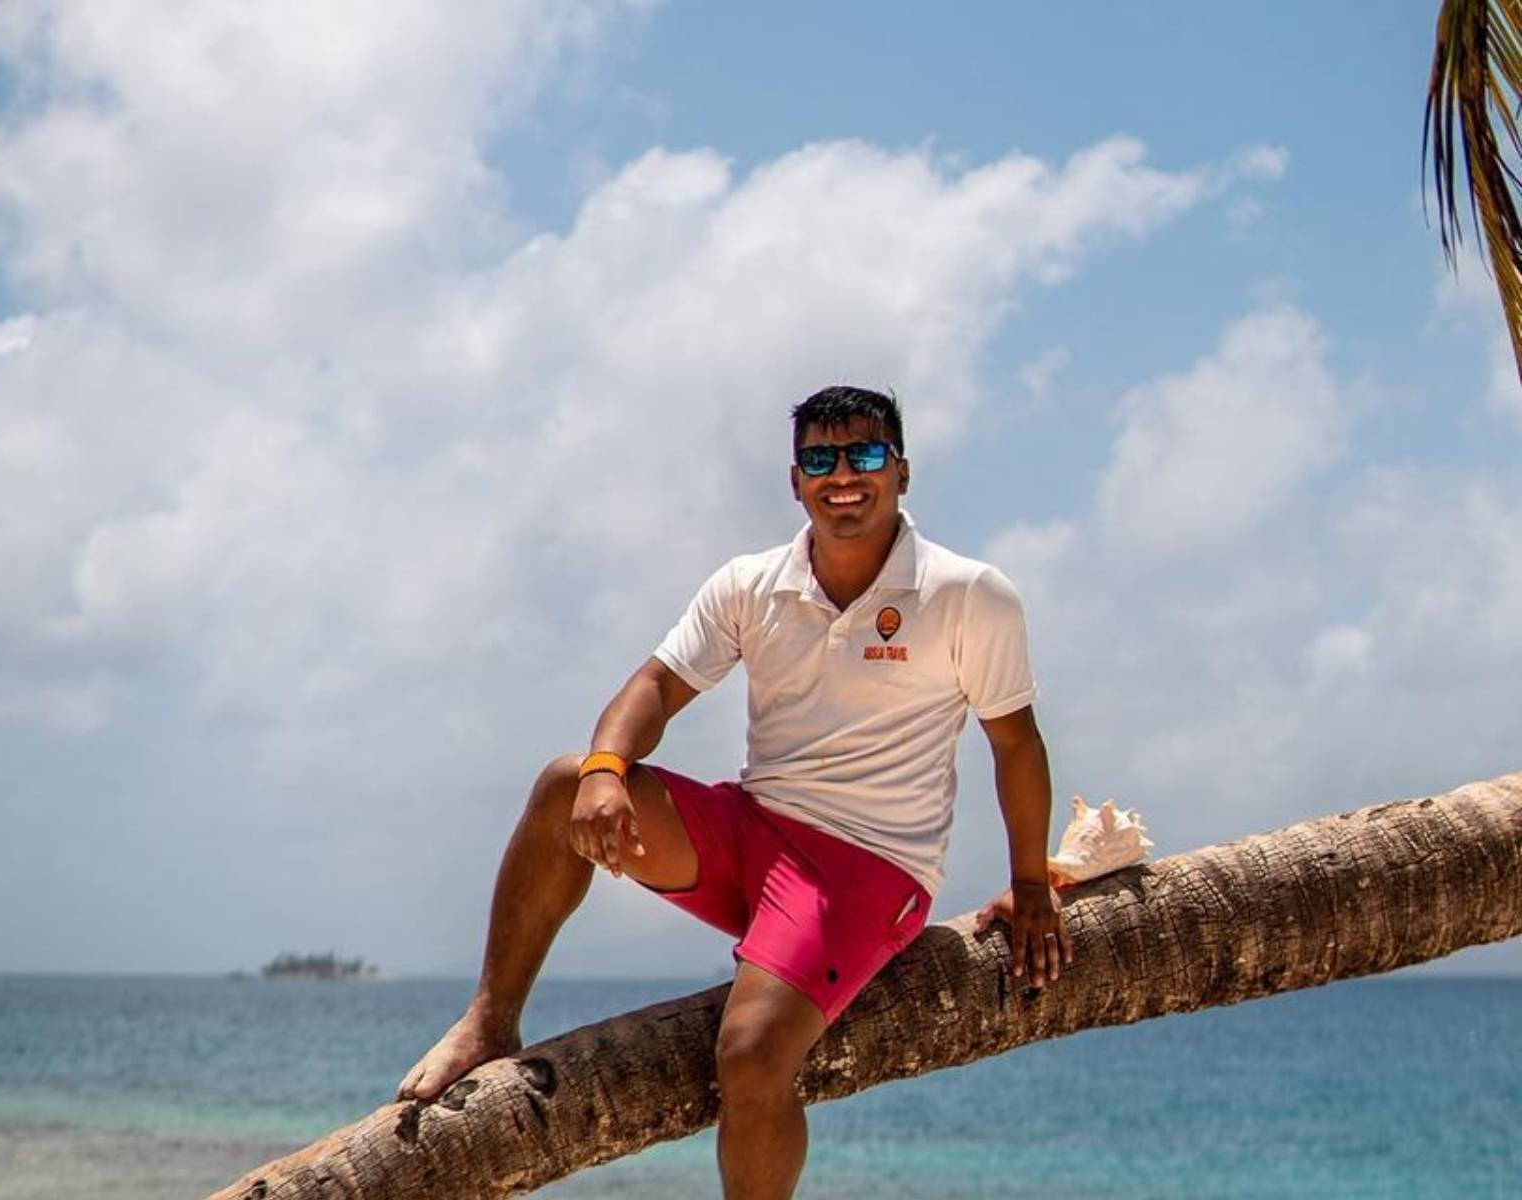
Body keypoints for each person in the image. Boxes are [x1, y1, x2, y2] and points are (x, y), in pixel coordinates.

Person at [397, 385, 1073, 1199]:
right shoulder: (753, 585)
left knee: (750, 1052)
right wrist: (608, 773)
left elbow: (1015, 744)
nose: (843, 475)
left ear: (900, 471)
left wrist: (1031, 882)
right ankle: (488, 1024)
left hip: (867, 871)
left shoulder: (968, 594)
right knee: (564, 783)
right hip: (750, 833)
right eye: (821, 458)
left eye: (864, 454)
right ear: (796, 481)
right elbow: (654, 684)